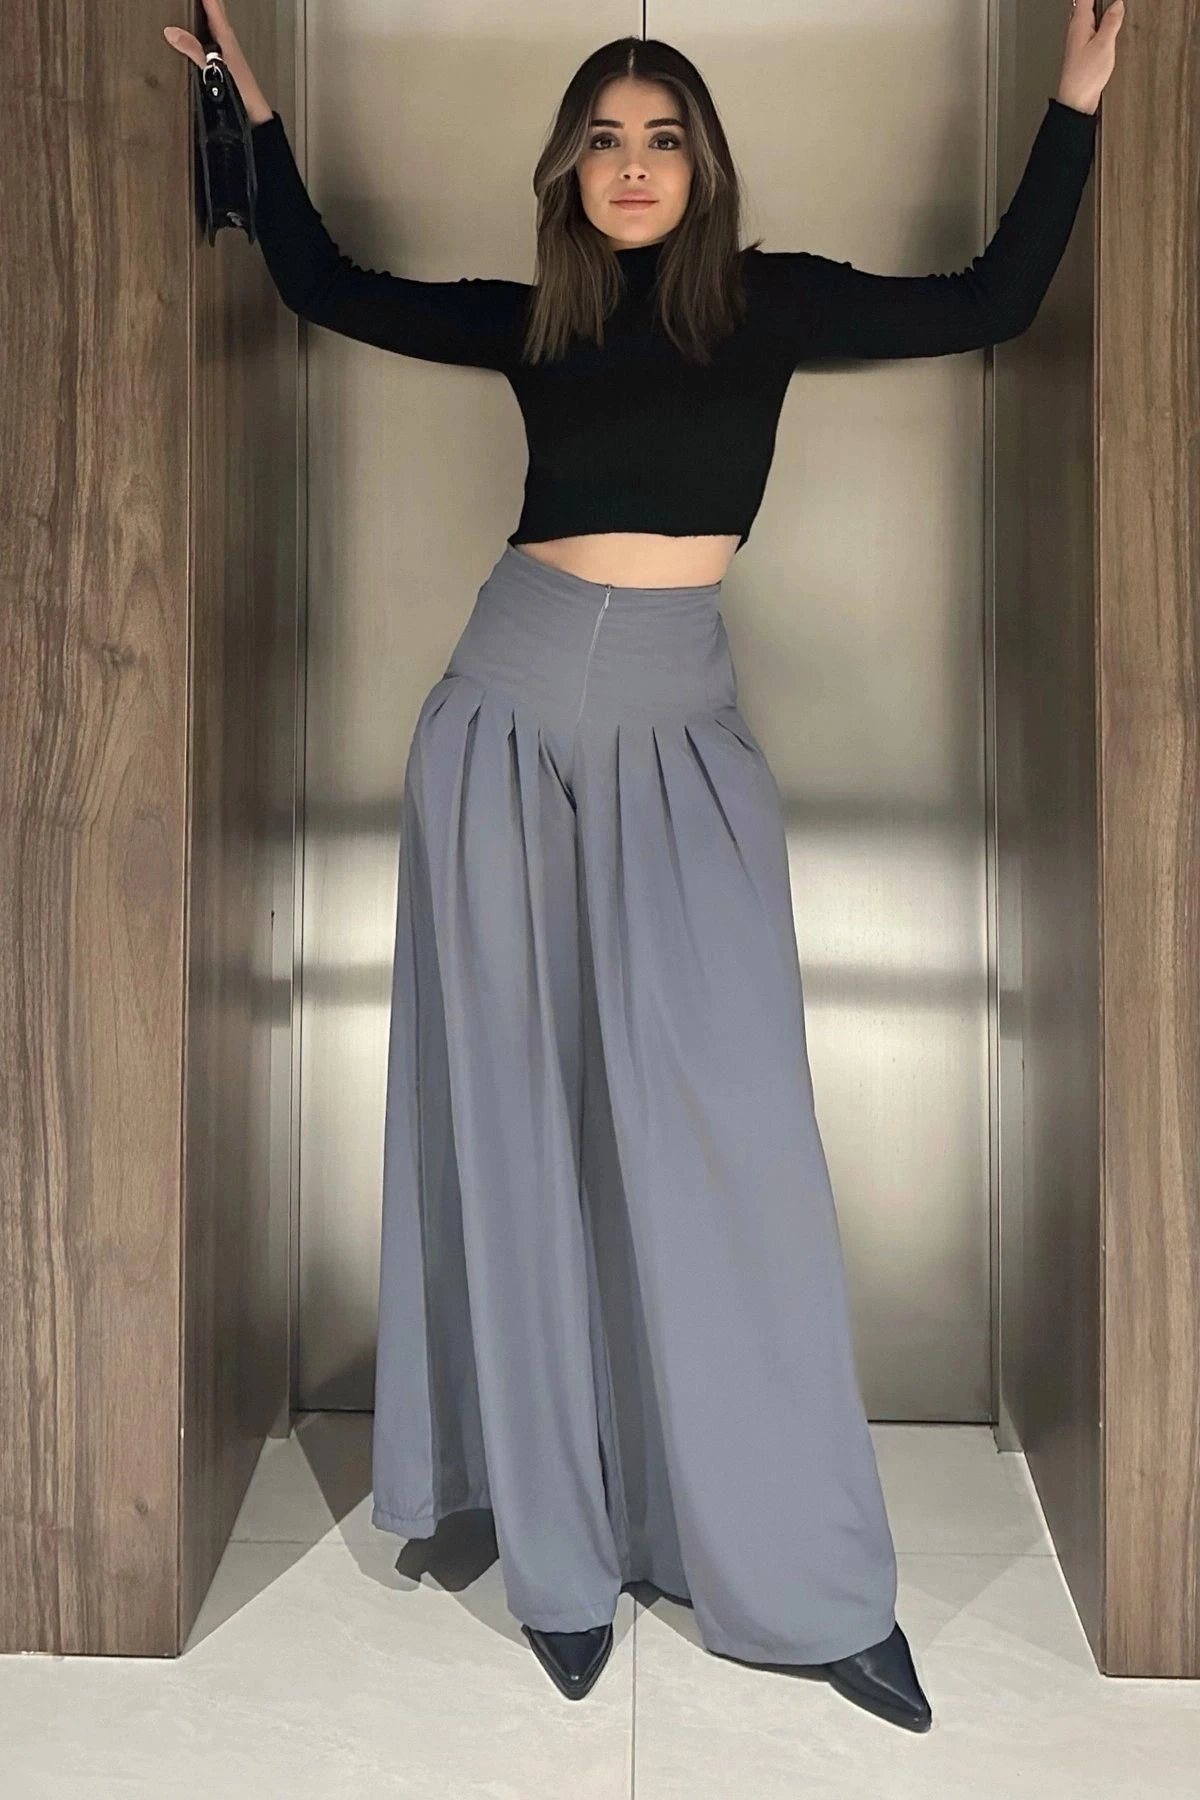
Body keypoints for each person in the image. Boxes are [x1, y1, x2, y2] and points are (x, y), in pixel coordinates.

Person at [167, 0, 1122, 1730]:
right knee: (520, 1120)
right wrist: (258, 116)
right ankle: (559, 1547)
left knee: (731, 1135)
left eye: (661, 136)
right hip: (505, 719)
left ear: (704, 165)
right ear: (567, 168)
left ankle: (801, 1576)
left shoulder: (770, 302)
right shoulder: (538, 317)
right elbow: (322, 285)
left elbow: (993, 300)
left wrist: (1072, 103)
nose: (631, 165)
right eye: (603, 138)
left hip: (683, 737)